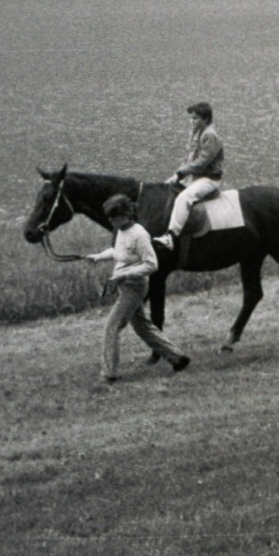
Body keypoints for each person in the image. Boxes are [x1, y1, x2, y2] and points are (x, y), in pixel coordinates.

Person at [87, 194, 191, 383]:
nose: (110, 220)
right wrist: (99, 256)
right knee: (143, 327)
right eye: (109, 217)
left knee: (111, 326)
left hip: (134, 287)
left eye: (114, 217)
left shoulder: (139, 234)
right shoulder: (121, 231)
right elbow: (119, 253)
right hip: (126, 285)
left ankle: (109, 374)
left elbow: (152, 265)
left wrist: (124, 275)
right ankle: (178, 359)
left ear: (126, 215)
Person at [154, 101, 224, 250]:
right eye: (191, 118)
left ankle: (171, 236)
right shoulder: (197, 132)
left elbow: (202, 162)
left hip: (208, 179)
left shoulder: (211, 136)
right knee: (165, 188)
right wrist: (176, 176)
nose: (191, 122)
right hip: (194, 177)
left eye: (195, 118)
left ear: (205, 119)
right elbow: (188, 159)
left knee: (184, 198)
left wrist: (181, 173)